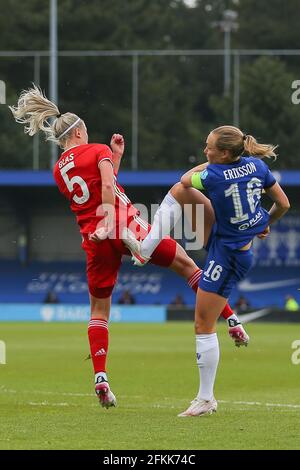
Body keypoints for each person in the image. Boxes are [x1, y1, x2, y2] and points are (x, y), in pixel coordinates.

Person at [9, 87, 248, 408]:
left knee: (98, 311)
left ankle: (101, 377)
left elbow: (96, 188)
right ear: (79, 131)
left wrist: (116, 160)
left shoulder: (58, 170)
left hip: (94, 238)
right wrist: (111, 216)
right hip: (122, 221)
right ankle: (231, 320)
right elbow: (107, 186)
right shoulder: (95, 150)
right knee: (187, 265)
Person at [123, 125, 290, 417]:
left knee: (202, 324)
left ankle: (206, 398)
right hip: (224, 238)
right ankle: (146, 249)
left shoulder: (214, 173)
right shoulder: (257, 165)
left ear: (224, 153)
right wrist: (264, 222)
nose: (205, 151)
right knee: (180, 193)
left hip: (229, 257)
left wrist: (213, 166)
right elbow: (283, 203)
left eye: (209, 147)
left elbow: (187, 176)